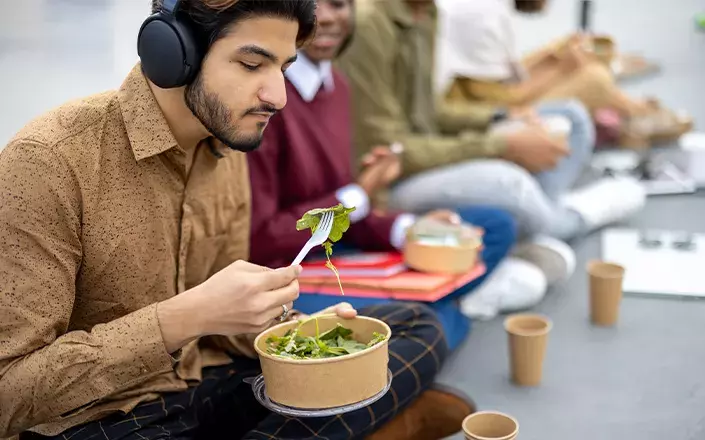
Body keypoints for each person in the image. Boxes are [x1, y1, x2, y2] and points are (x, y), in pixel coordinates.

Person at [0, 1, 469, 439]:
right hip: (105, 416)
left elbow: (226, 321)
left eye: (284, 69)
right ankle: (373, 421)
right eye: (251, 65)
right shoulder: (49, 162)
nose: (279, 97)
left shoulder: (229, 145)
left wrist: (297, 330)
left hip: (206, 377)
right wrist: (181, 318)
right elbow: (8, 392)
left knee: (416, 325)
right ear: (173, 52)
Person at [337, 0, 646, 318]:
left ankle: (535, 228)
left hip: (430, 151)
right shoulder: (370, 23)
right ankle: (570, 220)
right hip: (389, 182)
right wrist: (500, 143)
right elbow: (389, 150)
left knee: (572, 116)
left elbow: (431, 112)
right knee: (509, 182)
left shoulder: (426, 11)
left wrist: (501, 116)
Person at [247, 0, 521, 349]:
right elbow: (263, 240)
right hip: (290, 272)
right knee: (424, 323)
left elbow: (348, 209)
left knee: (493, 225)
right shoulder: (265, 102)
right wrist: (359, 195)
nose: (328, 16)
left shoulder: (337, 87)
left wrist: (404, 228)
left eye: (339, 3)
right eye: (311, 3)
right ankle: (439, 309)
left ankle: (433, 306)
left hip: (338, 246)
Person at [435, 0, 693, 147]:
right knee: (595, 79)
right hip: (466, 119)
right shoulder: (484, 16)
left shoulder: (489, 9)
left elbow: (502, 77)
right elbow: (503, 101)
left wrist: (553, 55)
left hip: (474, 98)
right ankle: (635, 114)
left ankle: (631, 111)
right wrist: (562, 67)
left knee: (576, 61)